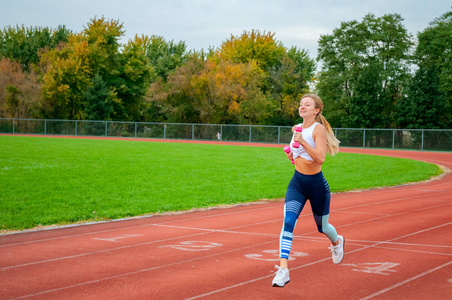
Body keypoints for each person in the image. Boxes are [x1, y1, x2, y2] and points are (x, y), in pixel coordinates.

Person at [272, 94, 344, 288]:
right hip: (297, 184)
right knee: (288, 222)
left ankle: (337, 243)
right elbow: (296, 157)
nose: (302, 107)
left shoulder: (317, 130)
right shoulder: (296, 128)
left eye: (307, 104)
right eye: (301, 104)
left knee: (323, 228)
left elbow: (320, 158)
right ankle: (283, 270)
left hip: (317, 186)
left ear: (316, 110)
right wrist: (291, 155)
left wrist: (302, 141)